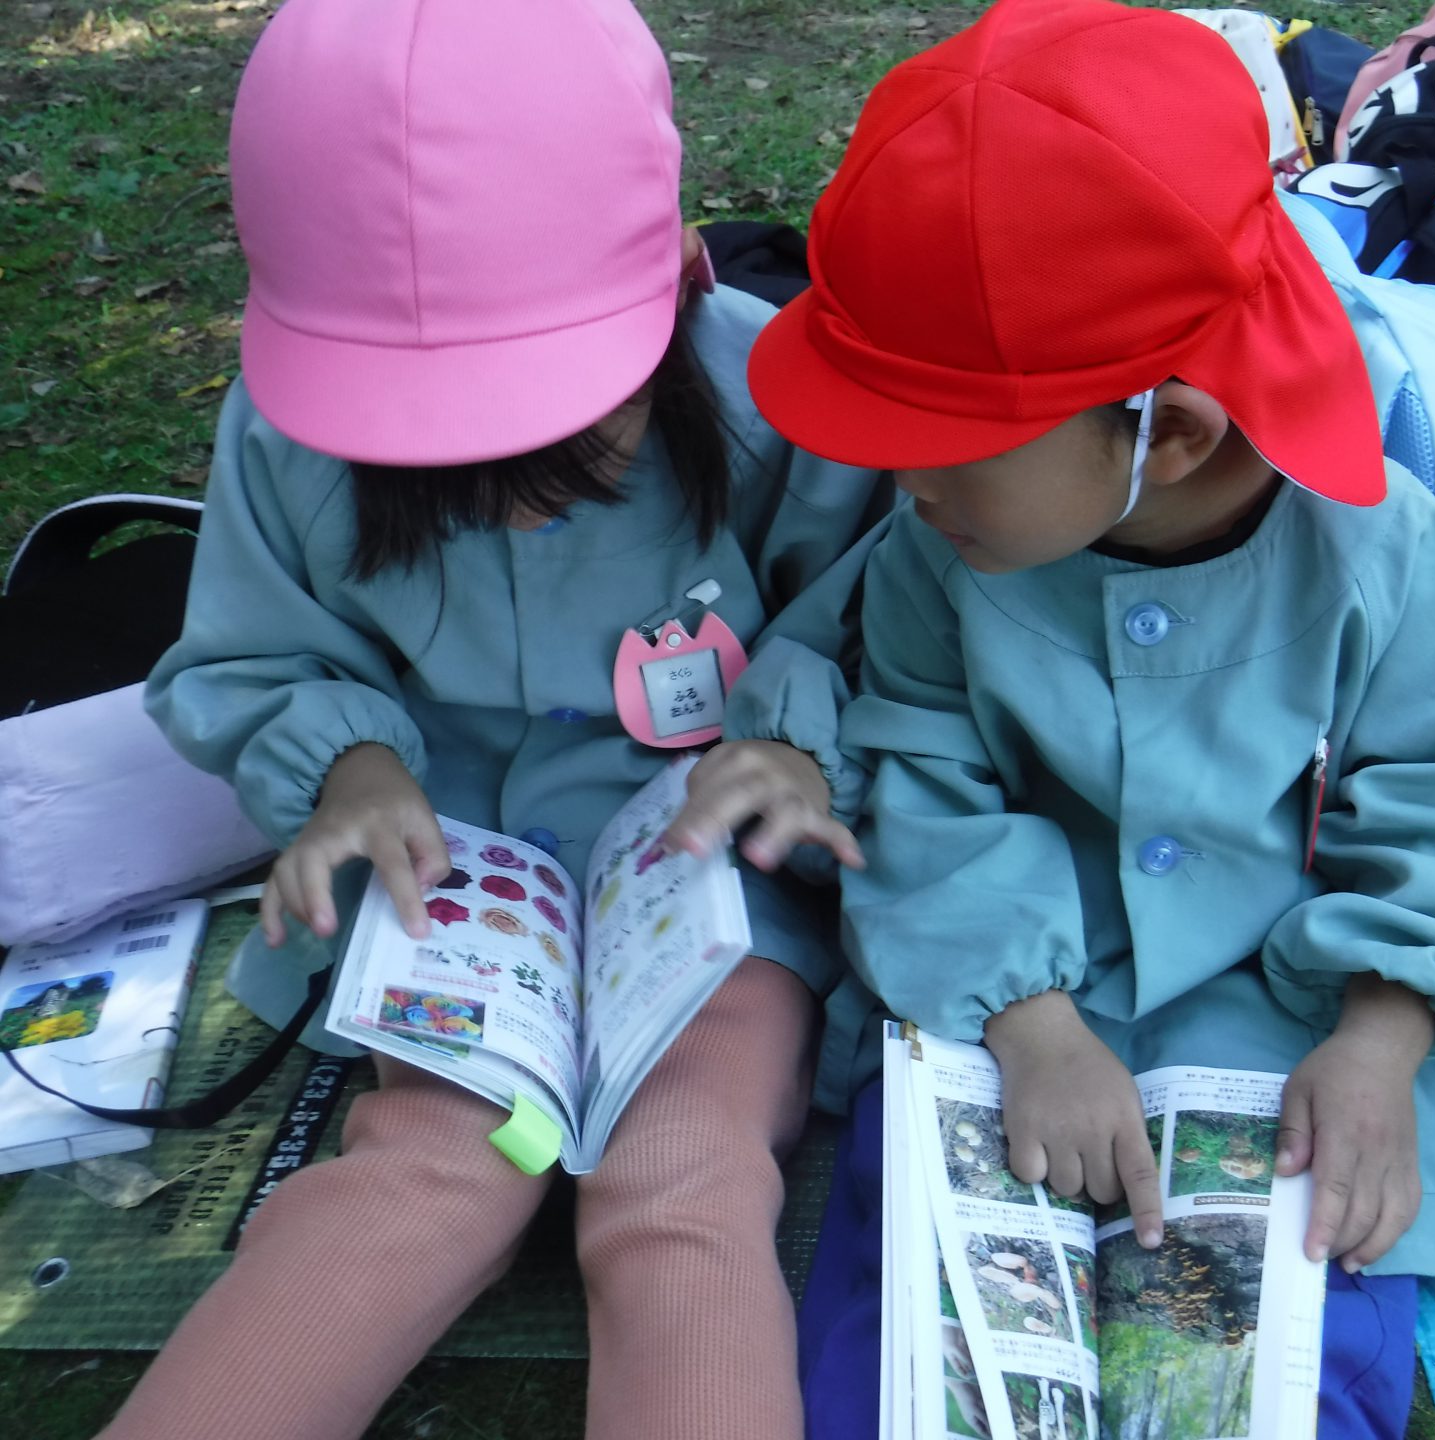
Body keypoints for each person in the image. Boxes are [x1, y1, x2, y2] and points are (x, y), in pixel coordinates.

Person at [743, 2, 1435, 1435]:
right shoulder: (943, 550)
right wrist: (1029, 1025)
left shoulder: (1380, 553)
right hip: (993, 1016)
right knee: (902, 1359)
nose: (900, 485)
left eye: (941, 448)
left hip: (1297, 1035)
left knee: (1289, 1374)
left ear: (1172, 433)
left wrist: (1384, 1035)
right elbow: (921, 771)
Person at [102, 2, 889, 1437]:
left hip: (718, 883)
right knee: (431, 1165)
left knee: (683, 1170)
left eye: (565, 431)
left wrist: (791, 746)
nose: (515, 497)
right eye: (438, 452)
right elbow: (252, 656)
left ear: (676, 286)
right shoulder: (285, 434)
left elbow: (869, 620)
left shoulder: (774, 396)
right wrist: (349, 771)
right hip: (454, 890)